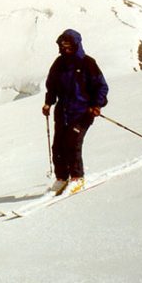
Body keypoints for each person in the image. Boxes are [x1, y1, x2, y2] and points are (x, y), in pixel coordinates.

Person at [42, 29, 109, 195]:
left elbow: (101, 86)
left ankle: (77, 178)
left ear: (76, 45)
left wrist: (97, 105)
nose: (66, 49)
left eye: (69, 46)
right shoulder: (59, 64)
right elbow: (51, 86)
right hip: (62, 113)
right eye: (63, 46)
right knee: (58, 146)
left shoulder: (88, 63)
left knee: (72, 144)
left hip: (82, 113)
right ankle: (62, 178)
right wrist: (48, 103)